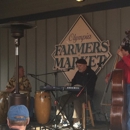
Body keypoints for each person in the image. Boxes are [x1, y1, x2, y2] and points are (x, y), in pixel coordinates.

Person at [56, 59, 97, 129]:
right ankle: (64, 120)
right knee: (59, 100)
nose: (78, 67)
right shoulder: (78, 73)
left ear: (85, 65)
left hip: (86, 94)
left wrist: (79, 86)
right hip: (75, 94)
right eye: (77, 66)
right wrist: (69, 84)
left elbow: (89, 87)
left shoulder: (91, 74)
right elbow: (73, 82)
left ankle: (77, 121)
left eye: (80, 66)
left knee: (77, 100)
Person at [105, 41, 130, 130]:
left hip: (129, 85)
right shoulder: (120, 62)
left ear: (125, 50)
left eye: (121, 50)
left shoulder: (126, 59)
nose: (119, 51)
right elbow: (116, 71)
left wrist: (123, 56)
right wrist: (109, 76)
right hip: (123, 87)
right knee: (124, 108)